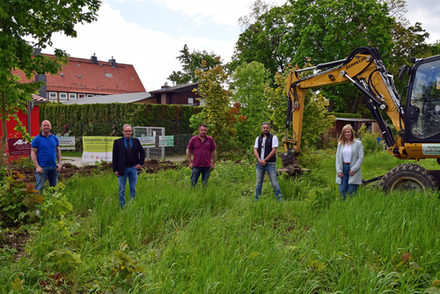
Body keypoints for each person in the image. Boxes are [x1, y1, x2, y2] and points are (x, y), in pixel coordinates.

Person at [112, 124, 145, 208]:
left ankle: (131, 204)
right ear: (123, 132)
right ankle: (122, 206)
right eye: (126, 131)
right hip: (122, 169)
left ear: (131, 132)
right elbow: (114, 156)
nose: (128, 132)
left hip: (133, 168)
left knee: (133, 189)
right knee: (121, 189)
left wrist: (140, 163)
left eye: (129, 131)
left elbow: (142, 152)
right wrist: (115, 170)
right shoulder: (117, 142)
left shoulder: (136, 141)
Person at [253, 122, 282, 201]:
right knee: (259, 183)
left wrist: (265, 160)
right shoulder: (258, 138)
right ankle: (256, 200)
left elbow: (274, 150)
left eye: (267, 128)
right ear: (262, 128)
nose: (265, 129)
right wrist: (259, 160)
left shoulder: (273, 137)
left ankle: (279, 200)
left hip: (270, 164)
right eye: (264, 128)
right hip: (259, 164)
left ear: (269, 129)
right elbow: (255, 150)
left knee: (274, 183)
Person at [31, 120, 61, 193]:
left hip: (54, 167)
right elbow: (32, 152)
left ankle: (53, 203)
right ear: (41, 127)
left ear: (50, 127)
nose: (46, 127)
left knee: (54, 188)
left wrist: (59, 163)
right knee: (39, 188)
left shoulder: (55, 138)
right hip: (42, 167)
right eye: (44, 125)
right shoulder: (37, 139)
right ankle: (36, 203)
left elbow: (58, 151)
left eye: (48, 125)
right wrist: (37, 166)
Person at [336, 124, 364, 200]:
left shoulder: (358, 143)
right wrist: (339, 171)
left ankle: (352, 208)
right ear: (343, 134)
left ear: (351, 132)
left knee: (352, 191)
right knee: (342, 191)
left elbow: (360, 158)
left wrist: (354, 169)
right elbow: (338, 158)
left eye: (348, 132)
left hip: (353, 169)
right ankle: (343, 207)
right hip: (343, 168)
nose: (347, 134)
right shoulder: (340, 144)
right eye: (345, 132)